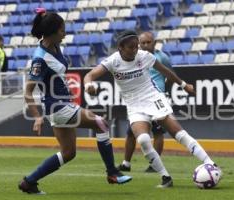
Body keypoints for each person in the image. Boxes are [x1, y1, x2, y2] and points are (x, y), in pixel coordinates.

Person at [84, 30, 219, 188]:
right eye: (131, 47)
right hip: (134, 105)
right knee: (143, 140)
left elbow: (166, 71)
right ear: (120, 48)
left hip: (153, 98)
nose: (135, 50)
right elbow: (89, 75)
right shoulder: (113, 61)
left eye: (137, 46)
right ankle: (165, 177)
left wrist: (184, 85)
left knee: (178, 133)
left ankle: (210, 163)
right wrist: (89, 86)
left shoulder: (144, 56)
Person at [18, 9, 131, 195]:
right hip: (58, 106)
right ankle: (112, 172)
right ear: (53, 32)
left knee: (68, 153)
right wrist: (37, 117)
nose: (65, 33)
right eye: (62, 30)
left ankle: (29, 182)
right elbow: (28, 92)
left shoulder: (54, 46)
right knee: (100, 123)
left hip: (61, 104)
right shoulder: (40, 59)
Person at [118, 32, 171, 173]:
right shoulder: (136, 58)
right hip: (140, 102)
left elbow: (169, 74)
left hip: (155, 99)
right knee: (131, 132)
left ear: (155, 42)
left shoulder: (162, 57)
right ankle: (126, 163)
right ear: (139, 44)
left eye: (149, 42)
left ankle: (155, 164)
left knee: (158, 133)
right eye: (143, 43)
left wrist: (163, 92)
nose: (146, 45)